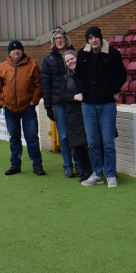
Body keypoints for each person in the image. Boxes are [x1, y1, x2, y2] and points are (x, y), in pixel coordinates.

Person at [74, 26, 126, 187]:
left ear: (100, 37)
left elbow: (121, 76)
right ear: (87, 40)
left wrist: (113, 90)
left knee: (108, 142)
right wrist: (83, 90)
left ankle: (111, 175)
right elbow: (77, 76)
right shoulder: (82, 53)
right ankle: (97, 174)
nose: (93, 40)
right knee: (93, 142)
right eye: (90, 38)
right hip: (88, 105)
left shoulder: (113, 53)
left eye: (95, 37)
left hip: (107, 105)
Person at [0, 40, 45, 176]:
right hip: (9, 109)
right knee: (14, 138)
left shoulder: (32, 64)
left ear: (22, 51)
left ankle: (37, 166)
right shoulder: (2, 67)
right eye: (13, 50)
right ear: (9, 53)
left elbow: (39, 85)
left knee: (32, 137)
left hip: (28, 108)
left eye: (18, 49)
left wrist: (34, 101)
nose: (16, 51)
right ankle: (15, 165)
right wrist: (0, 101)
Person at [41, 27, 81, 178]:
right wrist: (47, 105)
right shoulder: (48, 60)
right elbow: (45, 84)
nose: (59, 40)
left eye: (61, 37)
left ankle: (79, 164)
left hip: (75, 102)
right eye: (56, 38)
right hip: (59, 103)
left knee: (77, 134)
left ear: (66, 39)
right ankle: (67, 166)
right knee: (63, 136)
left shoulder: (75, 55)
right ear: (53, 42)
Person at [59, 50, 93, 183]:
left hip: (90, 110)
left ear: (77, 58)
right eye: (67, 61)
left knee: (97, 141)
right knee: (78, 144)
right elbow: (61, 95)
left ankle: (104, 169)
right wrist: (74, 97)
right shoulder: (66, 78)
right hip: (74, 113)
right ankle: (86, 171)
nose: (70, 62)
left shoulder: (89, 72)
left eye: (72, 58)